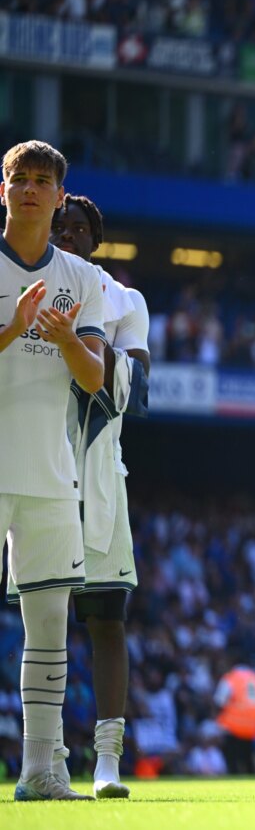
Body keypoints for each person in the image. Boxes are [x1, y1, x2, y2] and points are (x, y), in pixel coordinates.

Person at [0, 141, 105, 801]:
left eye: (44, 181)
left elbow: (94, 378)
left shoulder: (83, 278)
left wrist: (64, 336)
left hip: (49, 470)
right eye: (21, 178)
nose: (32, 189)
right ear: (1, 188)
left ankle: (43, 767)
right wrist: (12, 328)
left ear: (61, 196)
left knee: (47, 626)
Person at [52, 194, 149, 798]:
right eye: (60, 226)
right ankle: (47, 754)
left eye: (79, 227)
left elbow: (136, 391)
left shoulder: (123, 299)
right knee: (43, 617)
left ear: (96, 239)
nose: (67, 234)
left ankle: (107, 759)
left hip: (99, 470)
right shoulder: (17, 283)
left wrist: (79, 343)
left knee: (105, 618)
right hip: (34, 463)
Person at [214, 663, 255, 775]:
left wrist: (218, 722)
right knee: (248, 758)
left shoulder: (231, 678)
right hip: (252, 727)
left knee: (232, 759)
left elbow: (219, 701)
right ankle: (252, 787)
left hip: (233, 726)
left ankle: (234, 784)